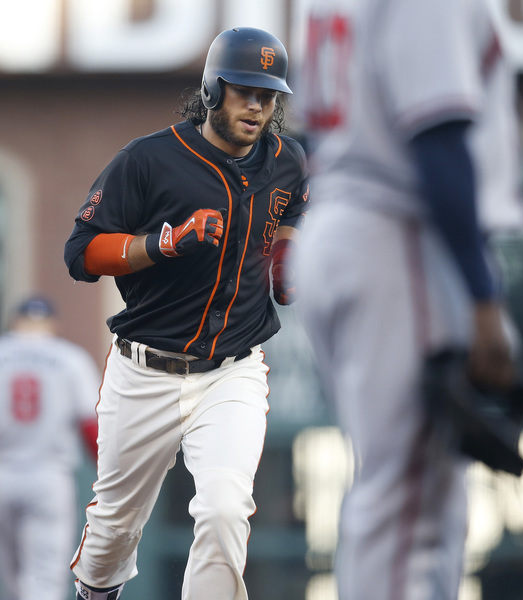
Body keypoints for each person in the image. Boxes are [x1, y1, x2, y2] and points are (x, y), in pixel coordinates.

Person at [293, 2, 523, 600]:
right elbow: (437, 136)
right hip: (396, 232)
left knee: (408, 491)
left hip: (344, 223)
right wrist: (482, 293)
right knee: (408, 506)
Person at [63, 26, 309, 600]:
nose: (257, 106)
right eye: (244, 90)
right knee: (114, 530)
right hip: (144, 370)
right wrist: (161, 243)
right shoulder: (148, 159)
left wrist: (288, 259)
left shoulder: (287, 160)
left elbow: (292, 214)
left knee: (225, 510)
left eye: (267, 95)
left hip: (232, 371)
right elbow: (81, 254)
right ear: (213, 89)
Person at [0, 295, 100, 600]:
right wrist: (108, 476)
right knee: (44, 578)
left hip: (3, 473)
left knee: (11, 580)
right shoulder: (70, 358)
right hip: (49, 477)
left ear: (14, 321)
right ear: (53, 324)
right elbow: (91, 427)